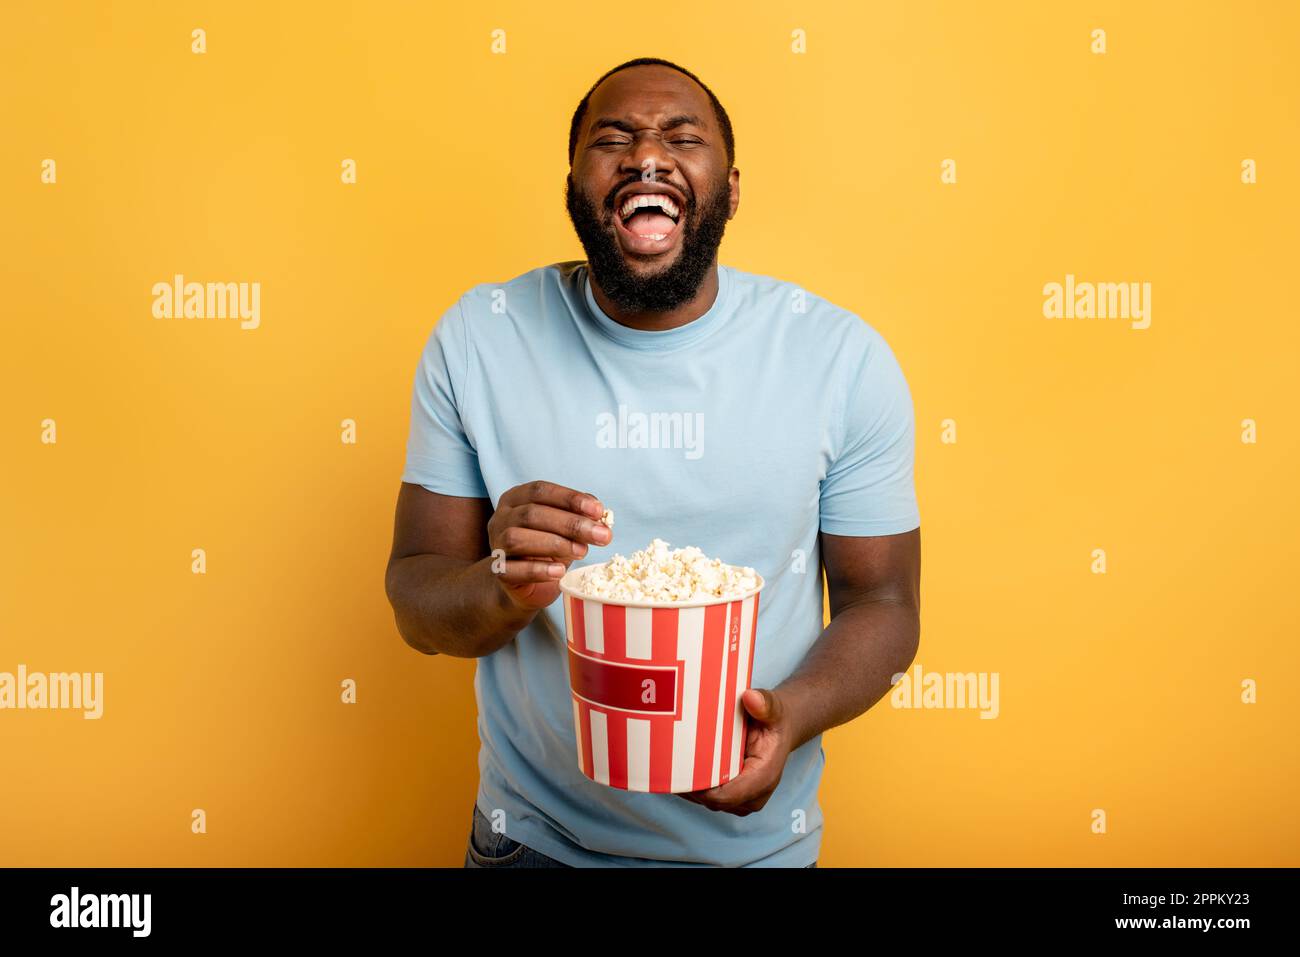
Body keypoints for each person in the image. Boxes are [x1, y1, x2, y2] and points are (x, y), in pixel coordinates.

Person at [385, 57, 922, 867]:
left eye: (681, 137)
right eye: (614, 139)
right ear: (573, 187)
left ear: (730, 188)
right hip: (533, 844)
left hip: (756, 853)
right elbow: (416, 596)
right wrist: (501, 583)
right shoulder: (480, 339)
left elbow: (883, 601)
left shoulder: (839, 358)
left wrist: (791, 715)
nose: (647, 157)